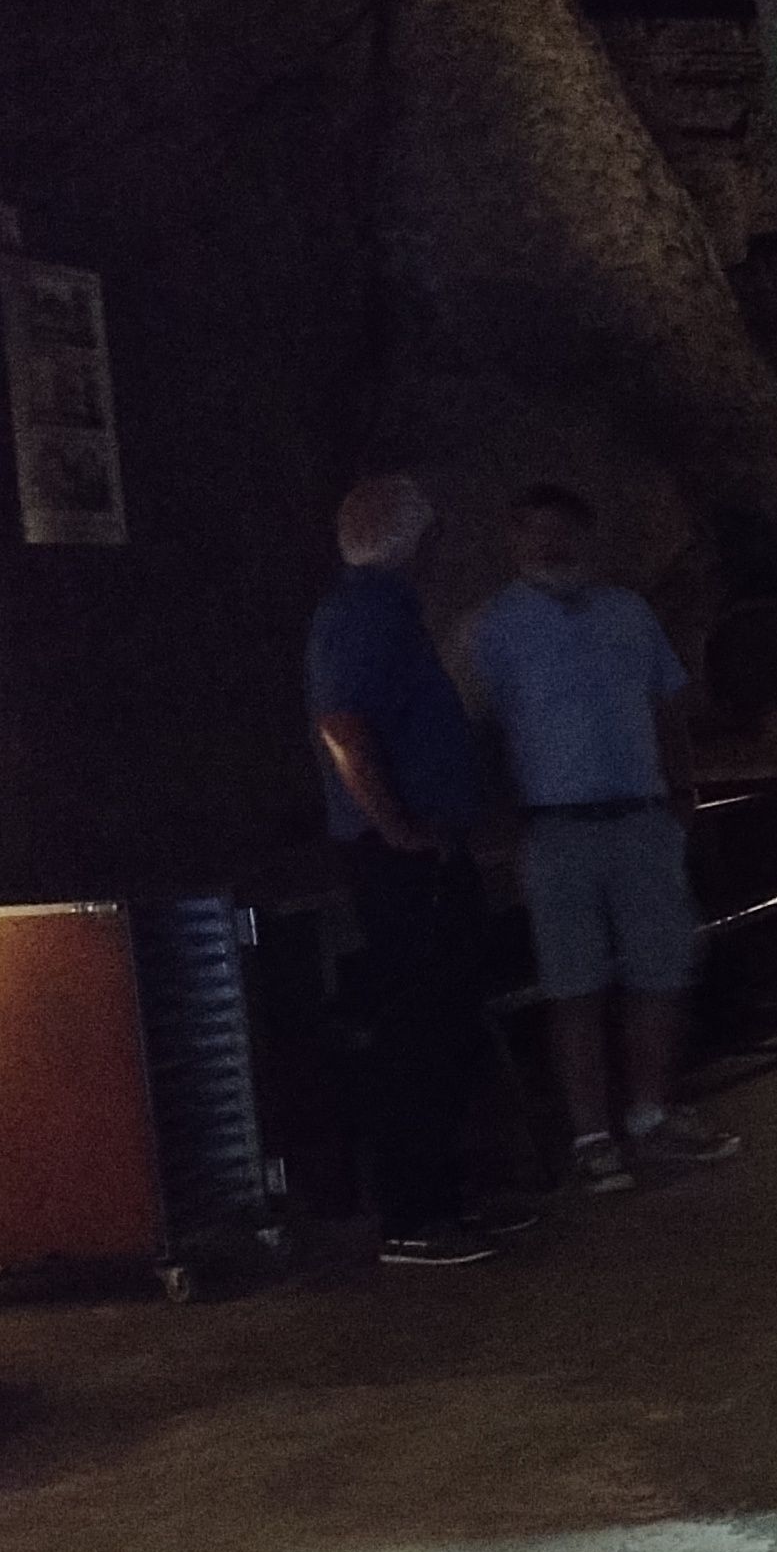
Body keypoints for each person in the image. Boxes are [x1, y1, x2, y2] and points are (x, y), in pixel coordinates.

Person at [460, 482, 741, 1193]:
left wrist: (682, 791)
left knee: (660, 969)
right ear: (513, 542)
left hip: (640, 816)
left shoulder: (628, 612)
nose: (548, 546)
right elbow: (479, 728)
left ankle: (650, 1113)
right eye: (533, 532)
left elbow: (666, 704)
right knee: (573, 984)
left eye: (560, 531)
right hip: (555, 827)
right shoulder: (493, 628)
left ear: (586, 537)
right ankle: (591, 1136)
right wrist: (499, 818)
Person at [310, 477, 521, 1267]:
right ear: (416, 541)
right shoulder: (365, 615)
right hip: (404, 858)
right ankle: (414, 1213)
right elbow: (343, 725)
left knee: (445, 1020)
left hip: (420, 848)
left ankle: (444, 1198)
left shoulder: (382, 613)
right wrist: (396, 826)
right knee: (421, 1027)